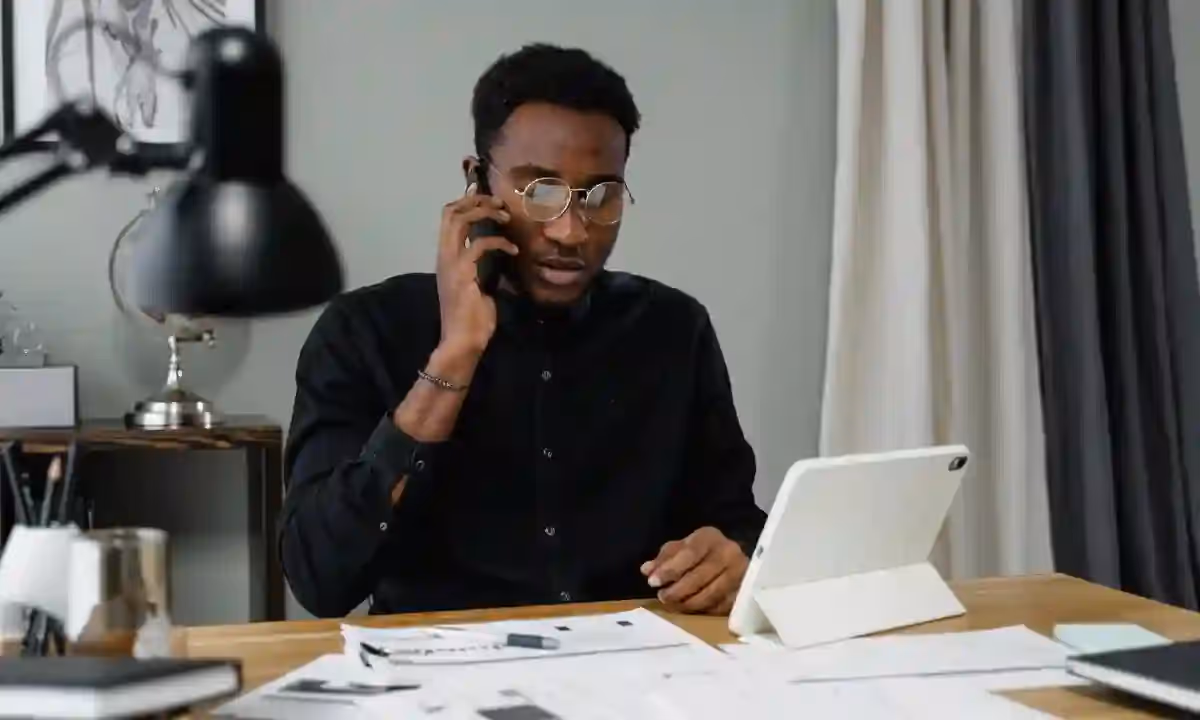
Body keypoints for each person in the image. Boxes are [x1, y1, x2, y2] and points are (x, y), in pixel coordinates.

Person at [279, 43, 766, 618]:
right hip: (438, 680)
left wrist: (734, 556)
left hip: (630, 673)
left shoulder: (673, 330)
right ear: (476, 184)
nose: (571, 231)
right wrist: (453, 358)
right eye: (541, 192)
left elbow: (737, 522)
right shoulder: (364, 331)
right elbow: (319, 579)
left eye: (602, 195)